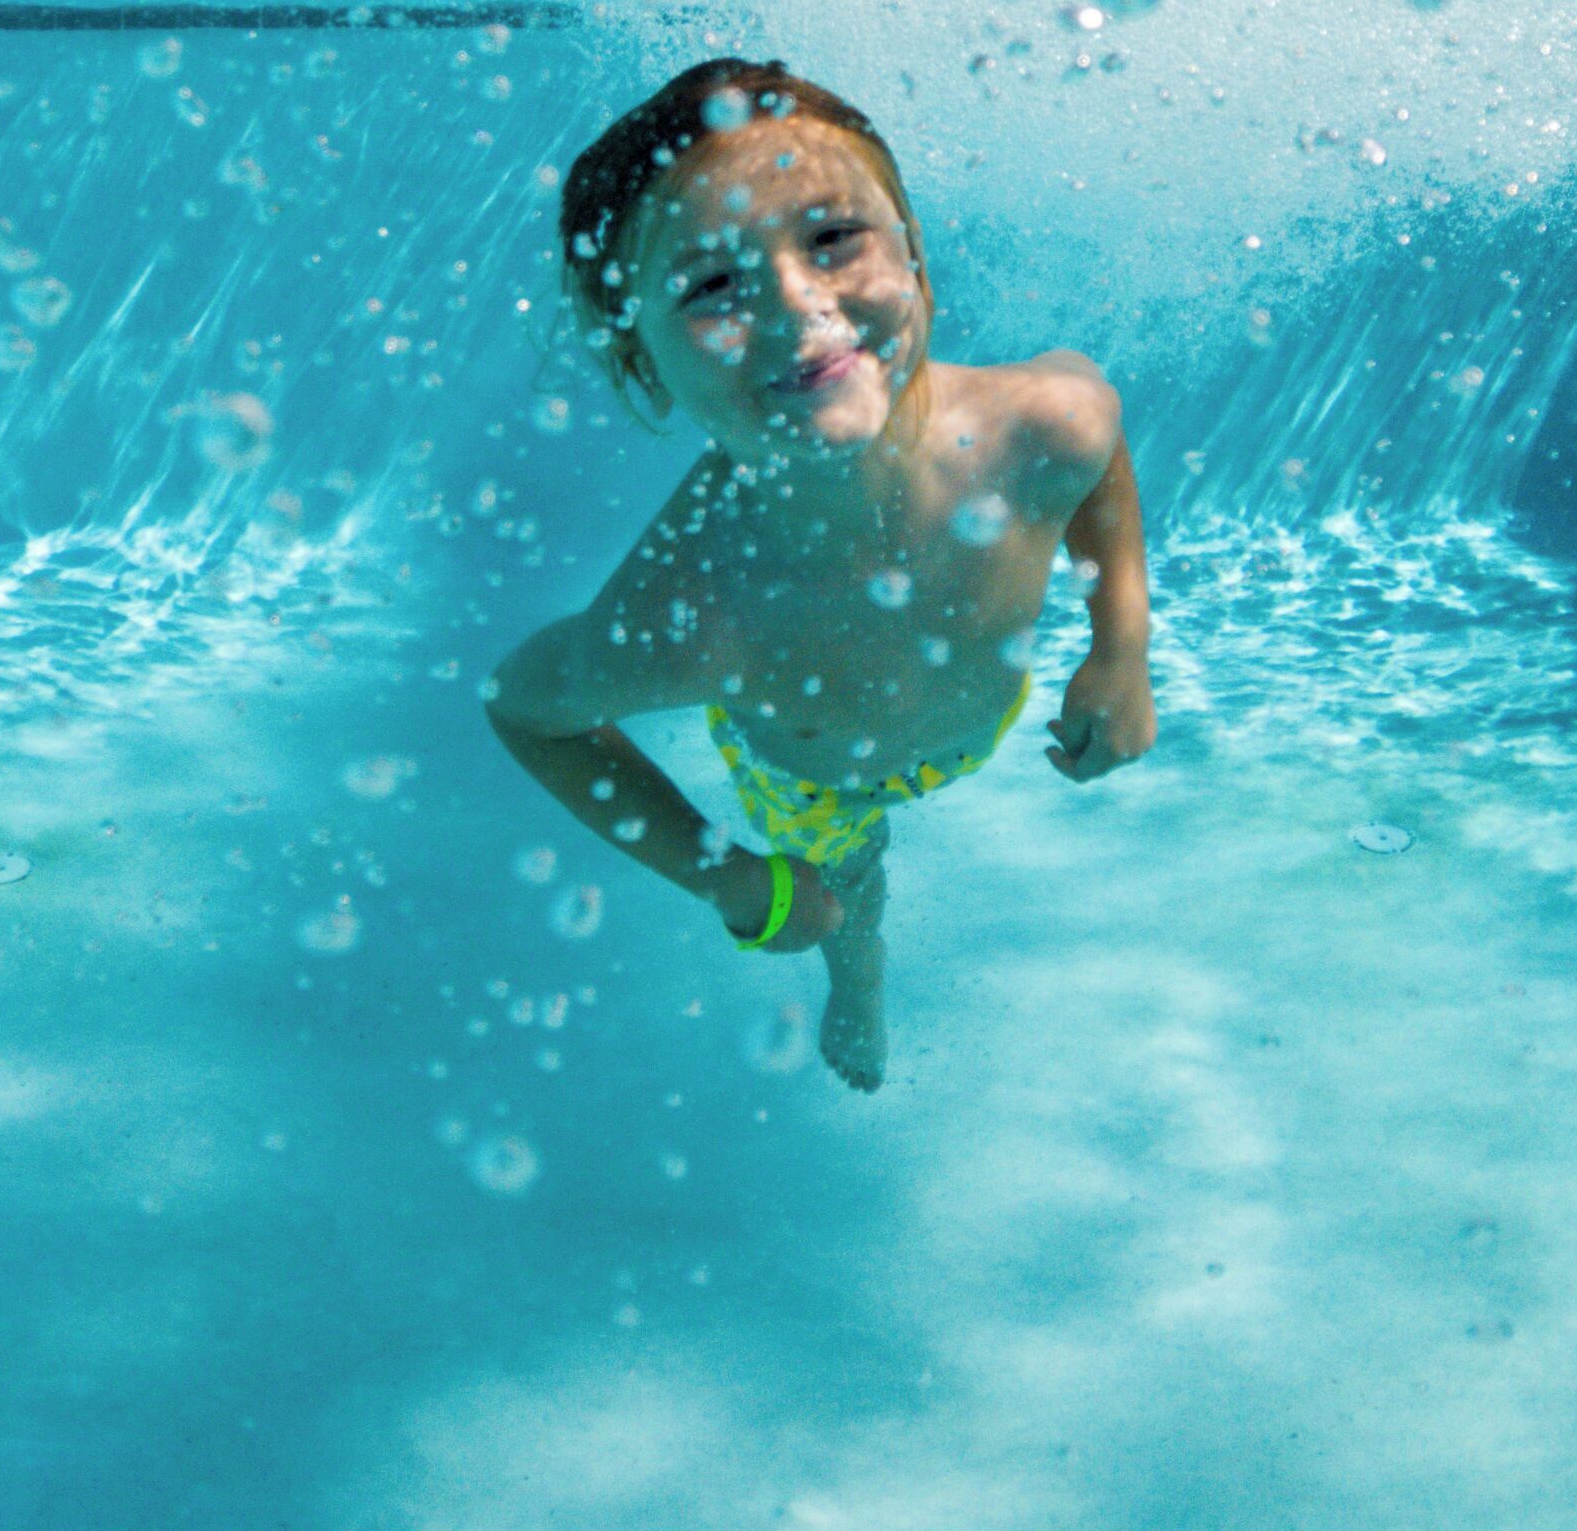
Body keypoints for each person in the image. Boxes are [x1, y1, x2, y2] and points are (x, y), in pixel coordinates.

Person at [483, 59, 1155, 1091]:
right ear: (645, 362)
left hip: (987, 710)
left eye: (834, 238)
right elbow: (527, 710)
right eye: (711, 287)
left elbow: (1099, 443)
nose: (801, 310)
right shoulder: (695, 605)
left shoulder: (1043, 426)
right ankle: (859, 980)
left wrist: (1122, 648)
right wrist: (726, 877)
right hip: (816, 780)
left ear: (917, 256)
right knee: (851, 891)